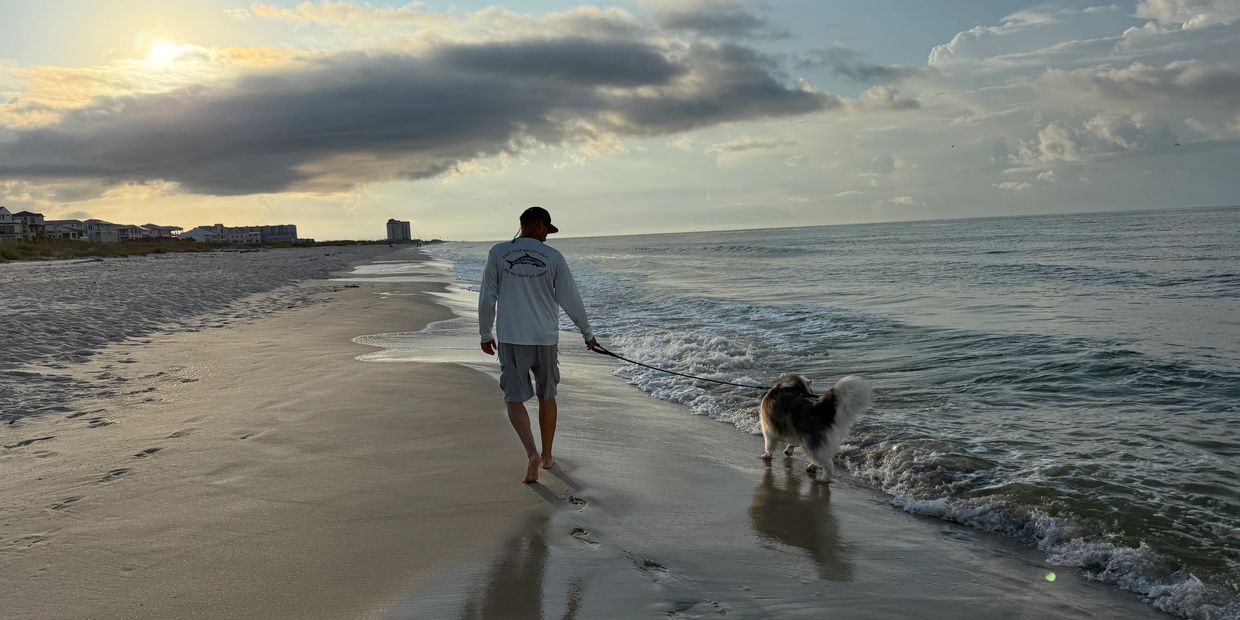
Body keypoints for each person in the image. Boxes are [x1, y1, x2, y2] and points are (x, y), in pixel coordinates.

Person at [479, 206, 598, 483]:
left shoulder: (497, 253)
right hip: (545, 339)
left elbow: (487, 297)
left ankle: (531, 452)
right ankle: (546, 456)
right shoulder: (554, 257)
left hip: (511, 337)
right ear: (539, 225)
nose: (548, 236)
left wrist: (486, 334)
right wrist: (587, 333)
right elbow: (571, 298)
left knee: (513, 398)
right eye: (547, 230)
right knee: (547, 395)